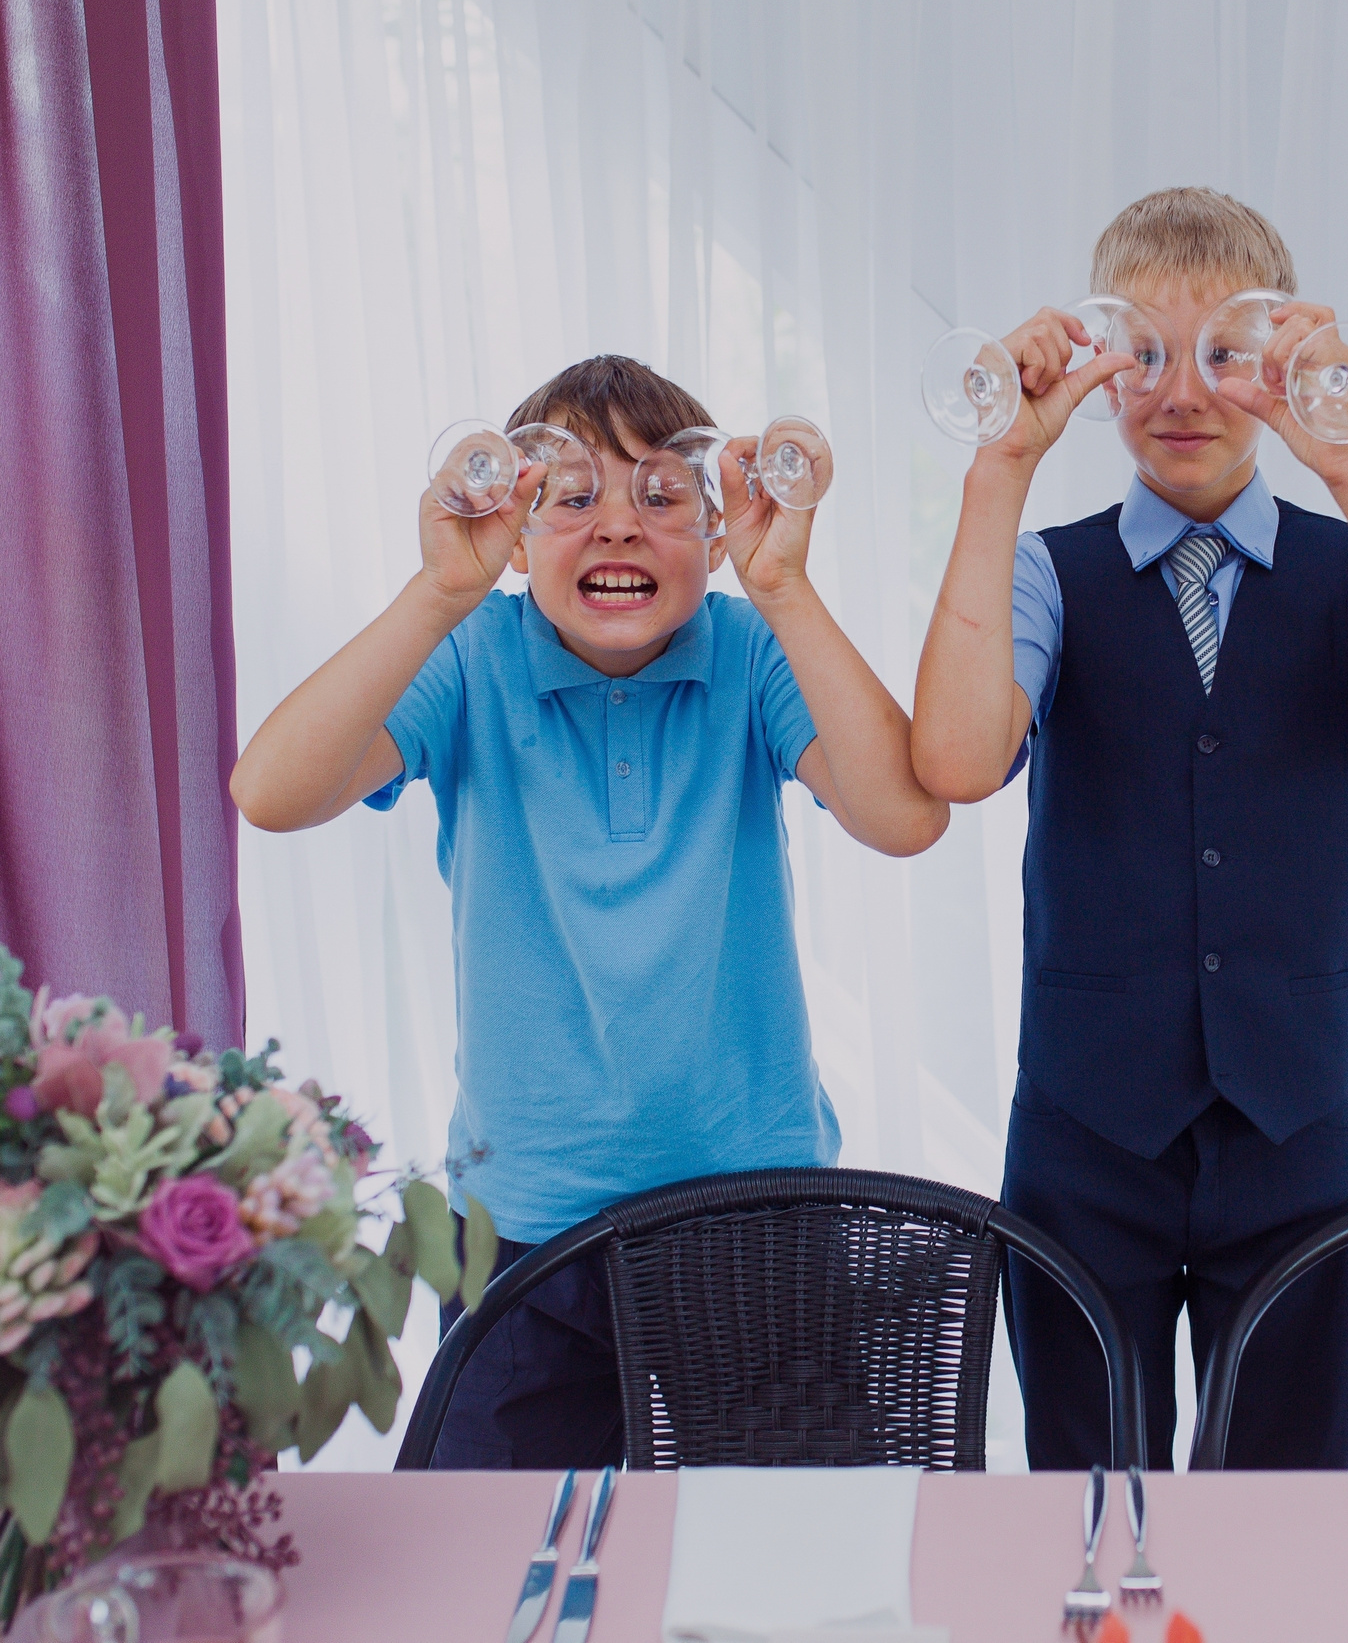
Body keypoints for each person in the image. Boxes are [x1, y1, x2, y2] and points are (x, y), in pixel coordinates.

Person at [912, 189, 1348, 1469]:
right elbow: (961, 762)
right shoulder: (1045, 571)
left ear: (1282, 367)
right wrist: (999, 468)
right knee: (1092, 1502)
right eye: (1141, 353)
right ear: (1093, 365)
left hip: (1295, 1136)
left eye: (1225, 354)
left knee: (1288, 1516)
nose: (1183, 391)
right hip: (1086, 1138)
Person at [233, 355, 946, 1466]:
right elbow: (271, 793)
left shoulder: (750, 645)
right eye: (572, 499)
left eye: (663, 498)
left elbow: (903, 817)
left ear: (715, 537)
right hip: (520, 1222)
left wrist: (785, 589)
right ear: (513, 535)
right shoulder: (470, 654)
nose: (619, 527)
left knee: (787, 1553)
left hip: (753, 1210)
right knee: (485, 1557)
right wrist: (437, 594)